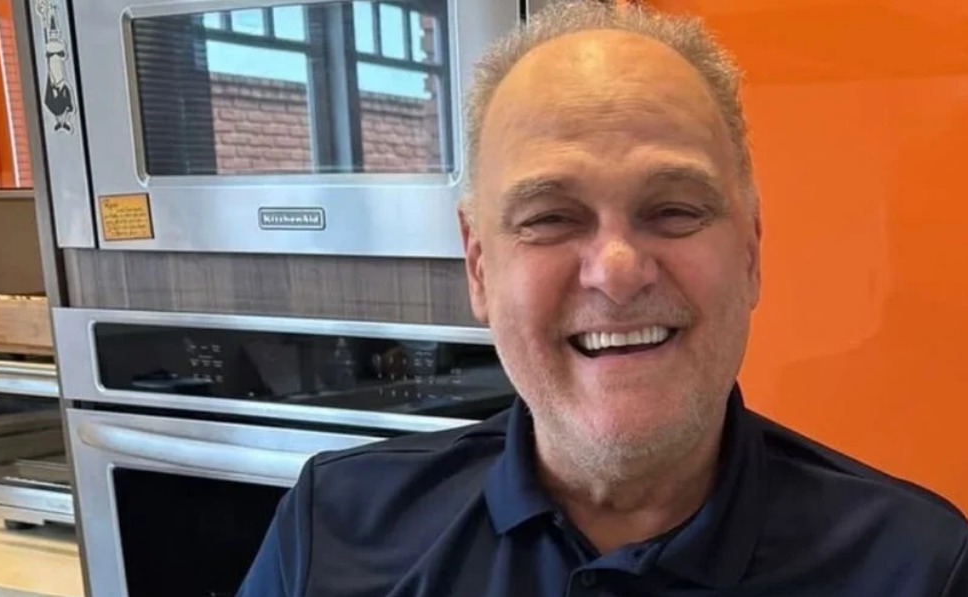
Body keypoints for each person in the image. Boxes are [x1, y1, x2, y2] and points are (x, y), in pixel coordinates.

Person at [237, 1, 968, 595]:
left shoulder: (920, 567)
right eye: (551, 217)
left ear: (749, 252)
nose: (617, 271)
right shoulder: (329, 529)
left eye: (675, 210)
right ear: (480, 265)